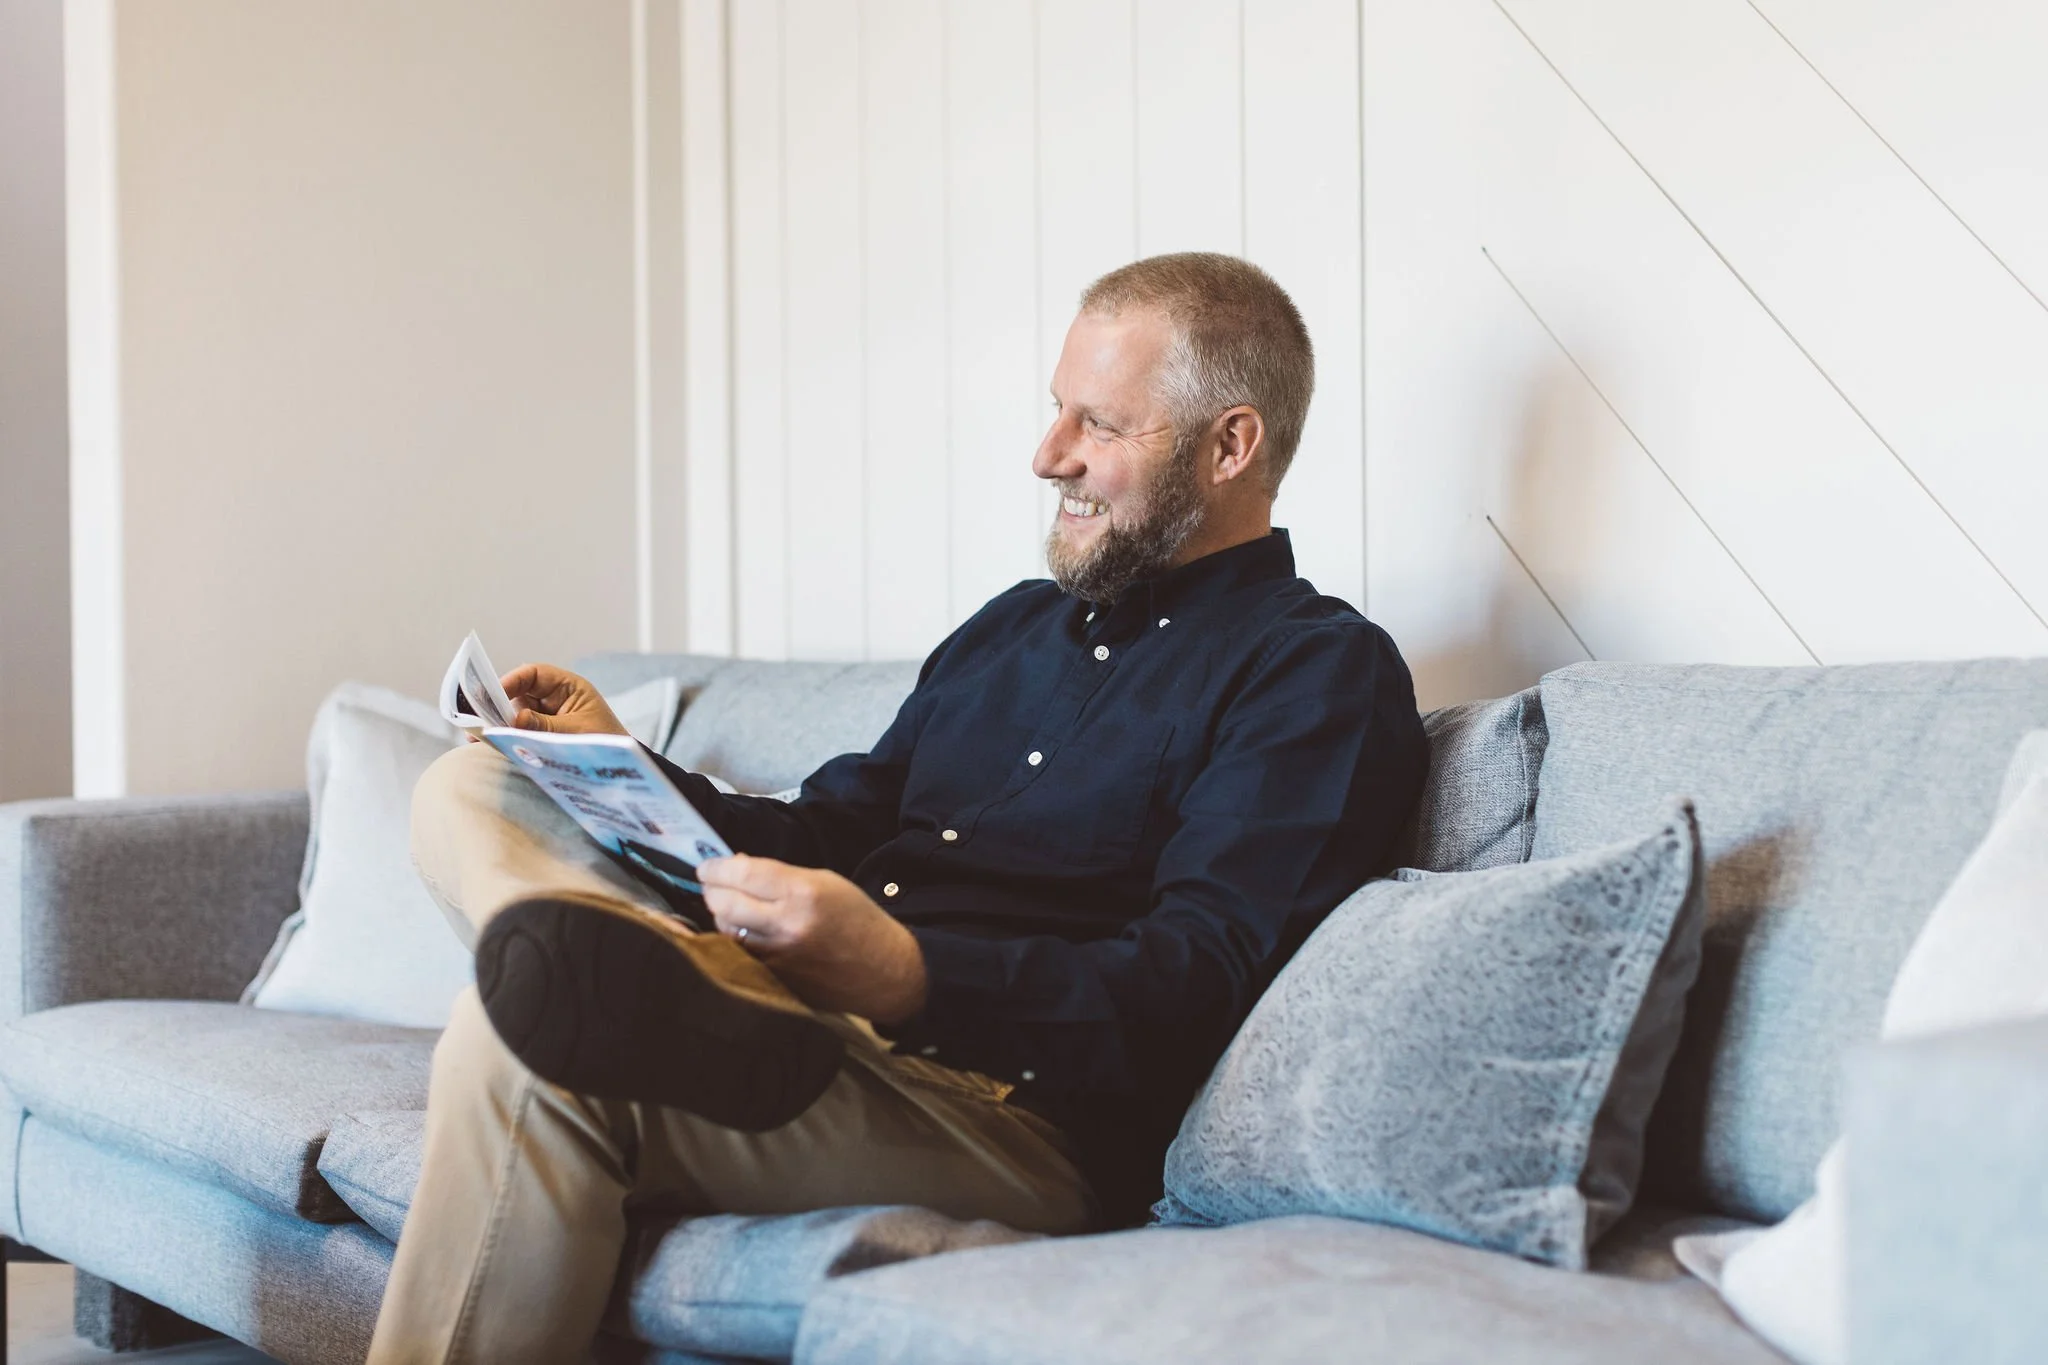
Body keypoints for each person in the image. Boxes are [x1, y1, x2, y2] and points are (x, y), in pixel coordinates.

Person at [367, 252, 1429, 1364]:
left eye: (1099, 424)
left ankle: (643, 989)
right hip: (801, 1013)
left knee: (514, 1043)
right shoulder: (1010, 630)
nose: (1047, 454)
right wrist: (617, 766)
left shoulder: (1314, 673)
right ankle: (656, 980)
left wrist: (907, 976)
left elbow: (1197, 979)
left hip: (1001, 1112)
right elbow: (831, 832)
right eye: (1053, 411)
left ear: (1230, 445)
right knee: (475, 783)